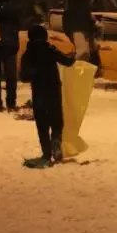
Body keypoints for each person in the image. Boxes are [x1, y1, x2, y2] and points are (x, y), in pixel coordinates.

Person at [20, 25, 75, 168]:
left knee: (42, 125)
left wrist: (35, 73)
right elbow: (67, 62)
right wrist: (74, 56)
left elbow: (23, 77)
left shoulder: (28, 54)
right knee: (56, 119)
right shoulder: (51, 49)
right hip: (53, 89)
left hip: (39, 93)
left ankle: (46, 153)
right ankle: (56, 139)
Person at [63, 0, 101, 69]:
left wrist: (92, 23)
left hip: (83, 27)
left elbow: (85, 12)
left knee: (92, 50)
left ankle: (93, 72)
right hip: (77, 27)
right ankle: (73, 71)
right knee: (83, 52)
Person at [0, 0, 21, 112]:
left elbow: (16, 12)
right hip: (4, 37)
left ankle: (11, 102)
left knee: (11, 73)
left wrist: (1, 10)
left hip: (9, 39)